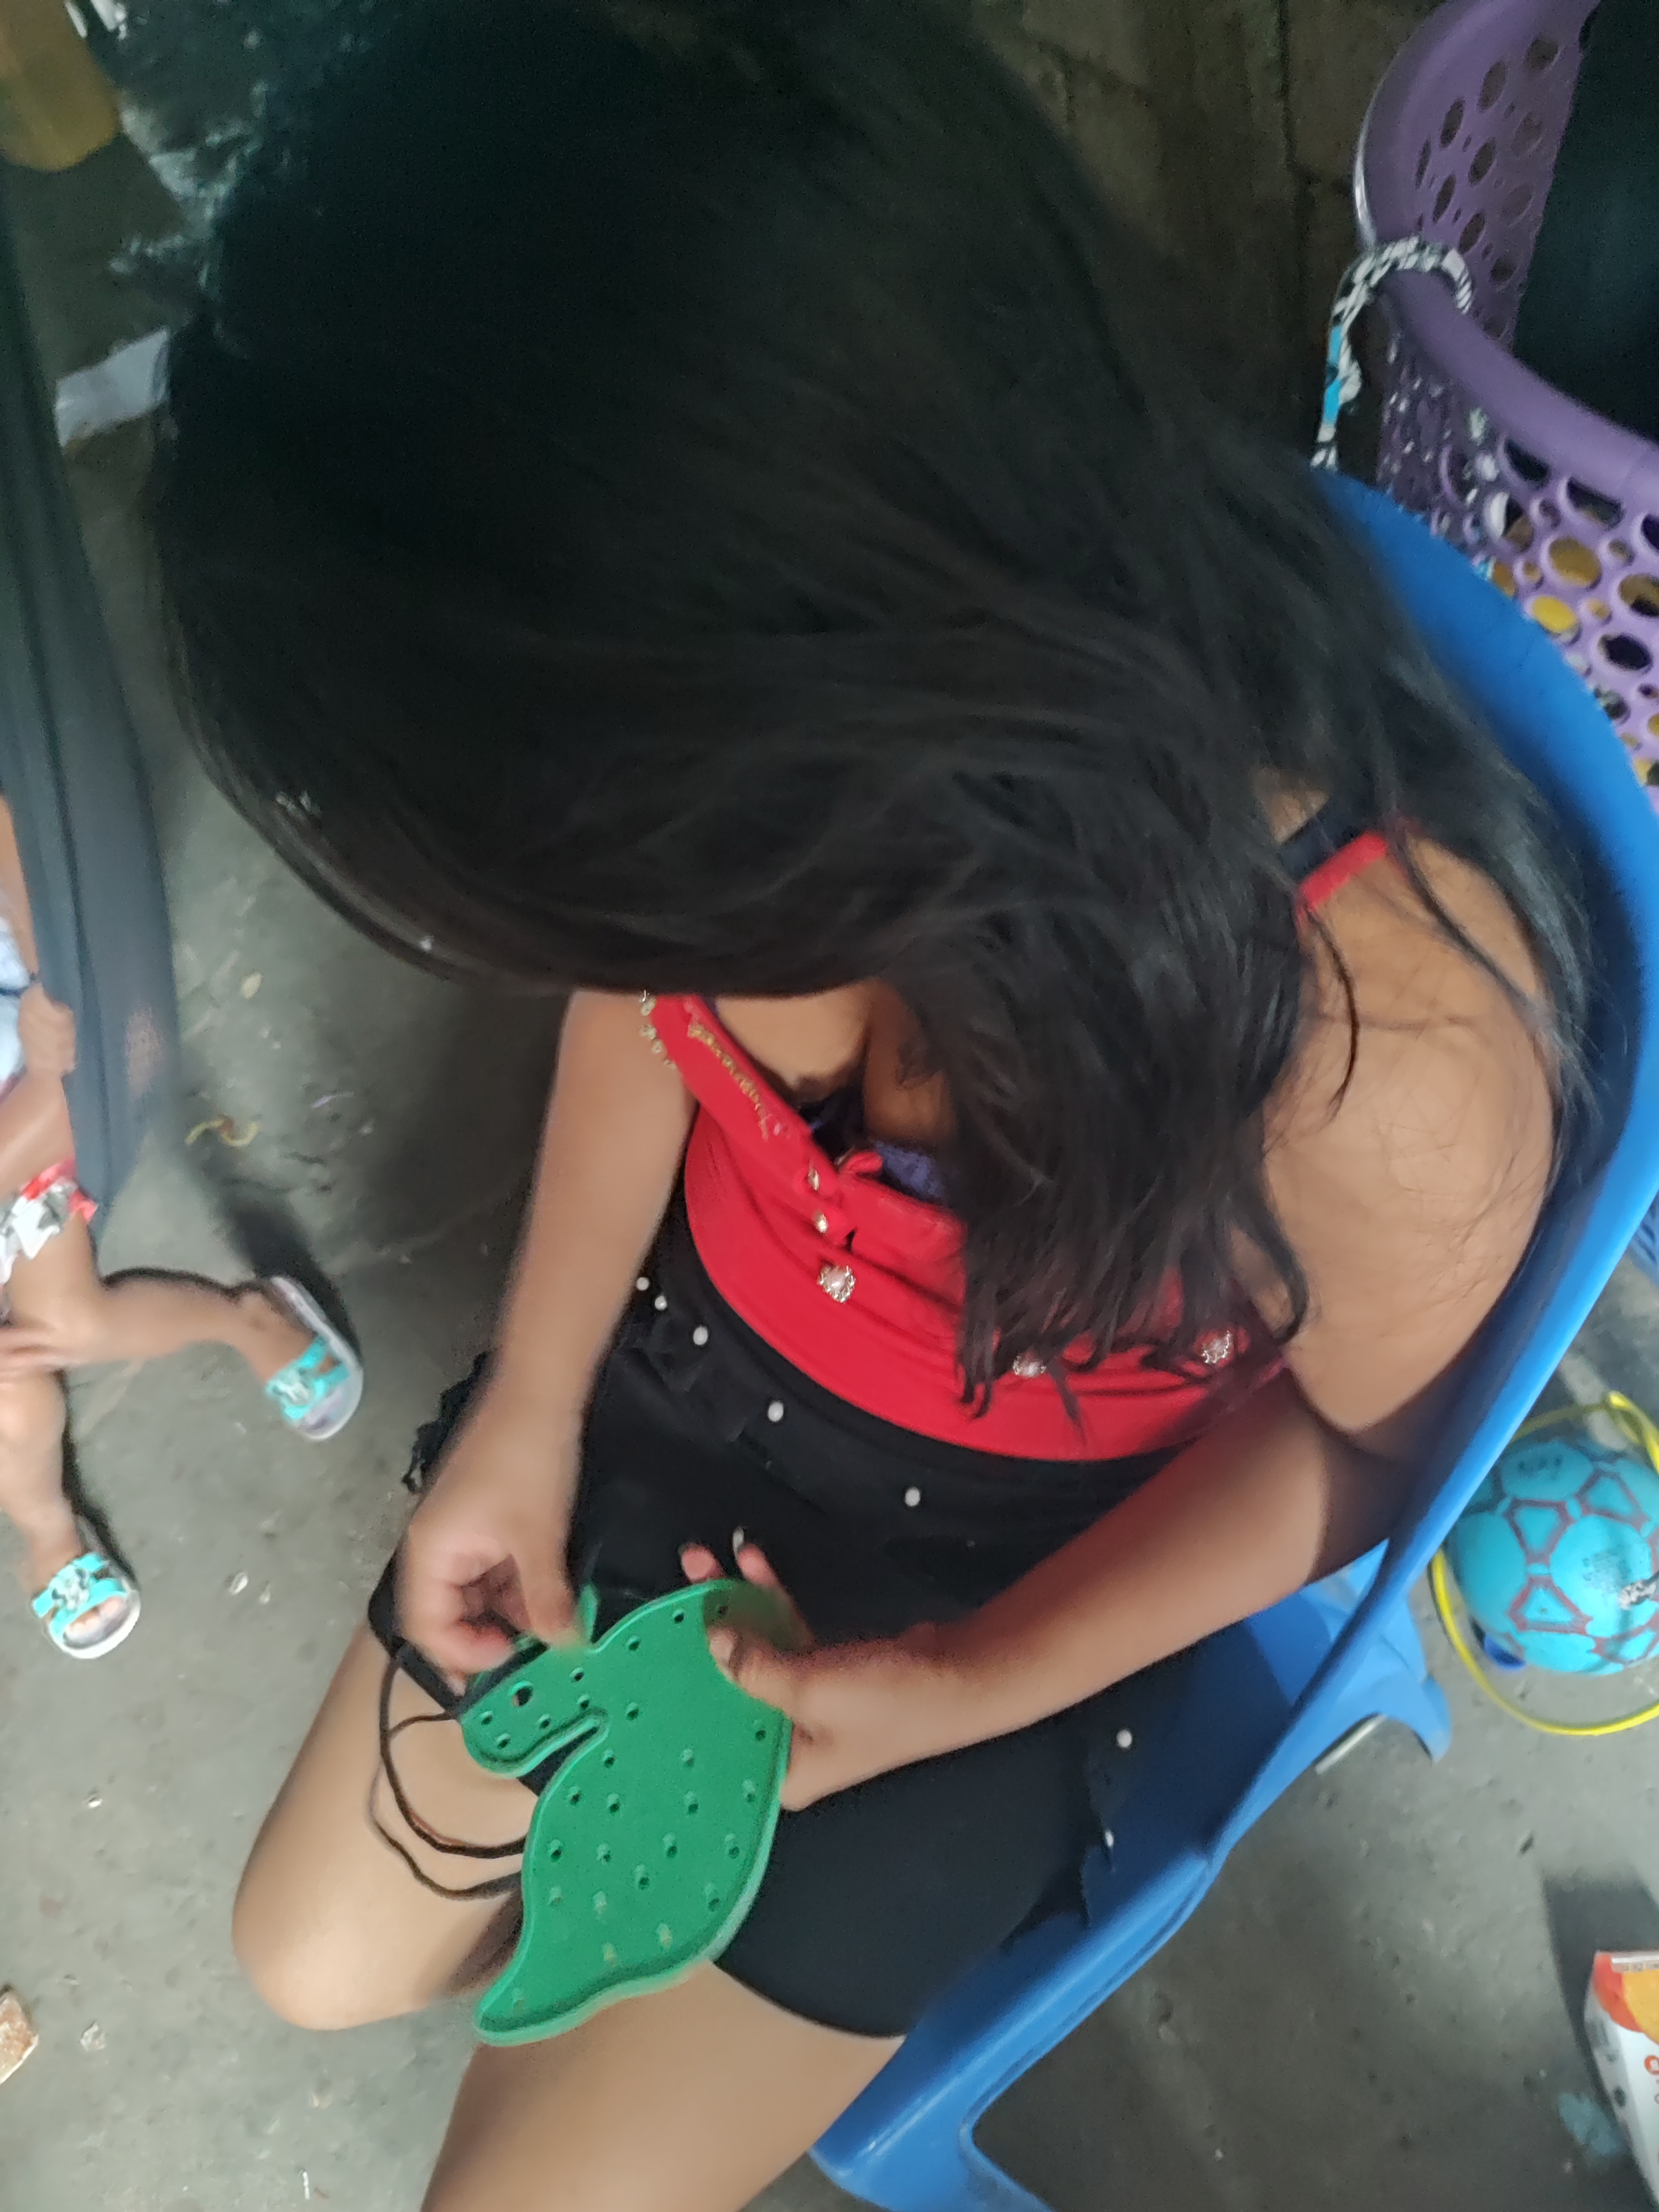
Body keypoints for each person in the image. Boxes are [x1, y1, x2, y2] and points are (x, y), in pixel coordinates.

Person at [144, 1, 1585, 2203]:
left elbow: (1372, 1448)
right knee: (312, 1957)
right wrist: (533, 1405)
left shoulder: (1368, 1053)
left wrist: (966, 1681)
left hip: (1012, 1574)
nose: (608, 954)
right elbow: (642, 1009)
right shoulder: (750, 786)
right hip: (690, 1382)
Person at [0, 796, 362, 1656]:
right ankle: (45, 1528)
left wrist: (53, 980)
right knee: (12, 1408)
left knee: (74, 1323)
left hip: (20, 1148)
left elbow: (55, 1105)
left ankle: (247, 1317)